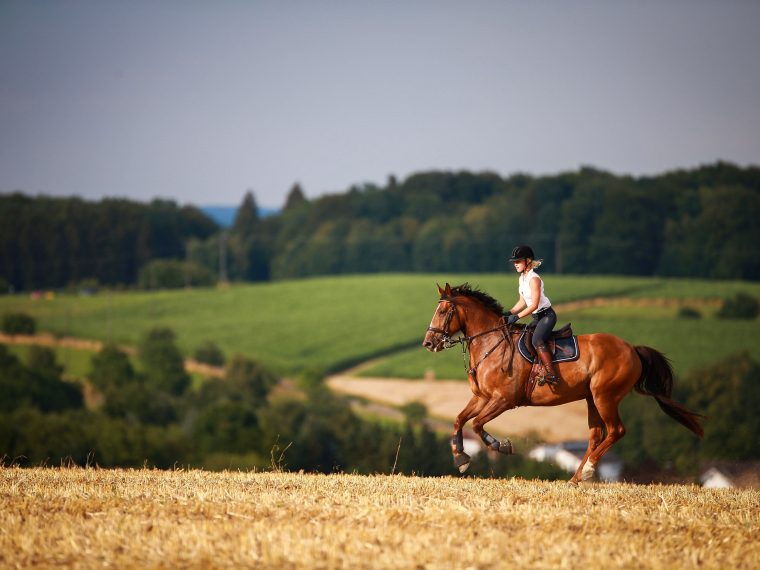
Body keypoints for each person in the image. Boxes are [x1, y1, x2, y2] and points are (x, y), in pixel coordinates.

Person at [505, 245, 559, 384]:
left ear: (528, 261)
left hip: (547, 316)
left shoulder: (534, 279)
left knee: (537, 341)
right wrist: (509, 313)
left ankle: (552, 374)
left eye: (518, 261)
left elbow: (534, 305)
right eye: (514, 262)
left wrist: (517, 317)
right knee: (524, 337)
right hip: (537, 317)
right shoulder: (522, 278)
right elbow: (522, 301)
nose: (515, 264)